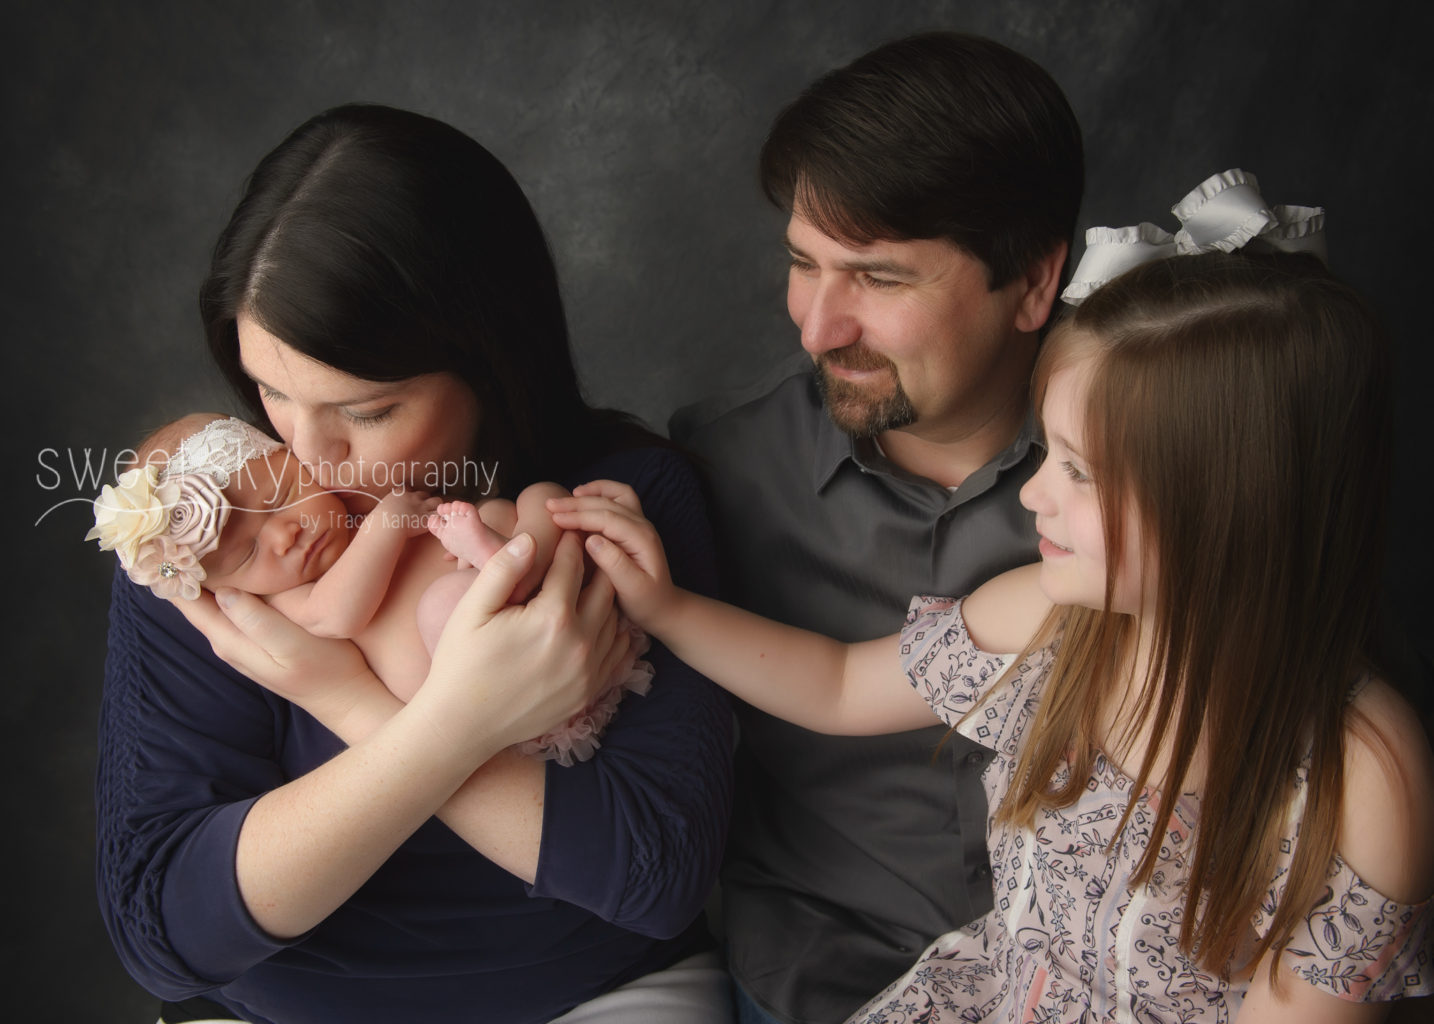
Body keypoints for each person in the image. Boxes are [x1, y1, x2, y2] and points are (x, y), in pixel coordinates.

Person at [553, 248, 1434, 1022]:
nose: (1033, 493)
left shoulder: (1364, 780)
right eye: (1048, 454)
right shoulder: (1055, 625)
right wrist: (665, 609)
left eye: (1080, 473)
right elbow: (838, 684)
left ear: (1232, 508)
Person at [95, 103, 733, 1024]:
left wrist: (349, 700)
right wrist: (452, 724)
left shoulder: (617, 504)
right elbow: (162, 928)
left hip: (588, 997)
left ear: (490, 361)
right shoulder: (212, 540)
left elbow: (655, 876)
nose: (308, 457)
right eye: (270, 394)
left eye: (365, 412)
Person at [667, 31, 1083, 1022]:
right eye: (803, 264)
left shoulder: (1151, 481)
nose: (817, 328)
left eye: (880, 278)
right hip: (811, 982)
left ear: (1033, 283)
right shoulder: (718, 471)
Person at [88, 413, 650, 762]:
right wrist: (387, 524)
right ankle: (501, 565)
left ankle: (516, 559)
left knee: (533, 498)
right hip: (495, 673)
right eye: (248, 553)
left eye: (283, 494)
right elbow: (336, 616)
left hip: (559, 609)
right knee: (444, 604)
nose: (284, 534)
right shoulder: (289, 600)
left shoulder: (348, 499)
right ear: (223, 584)